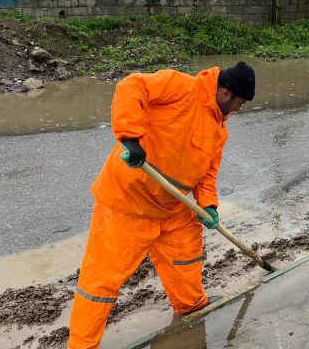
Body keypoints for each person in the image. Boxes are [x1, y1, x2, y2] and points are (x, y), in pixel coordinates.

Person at [67, 61, 256, 349]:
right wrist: (130, 137)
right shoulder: (181, 86)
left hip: (172, 209)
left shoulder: (220, 128)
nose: (238, 110)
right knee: (101, 284)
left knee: (186, 260)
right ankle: (82, 346)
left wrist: (208, 205)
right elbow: (131, 86)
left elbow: (207, 173)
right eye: (240, 103)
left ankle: (191, 306)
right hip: (128, 203)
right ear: (226, 93)